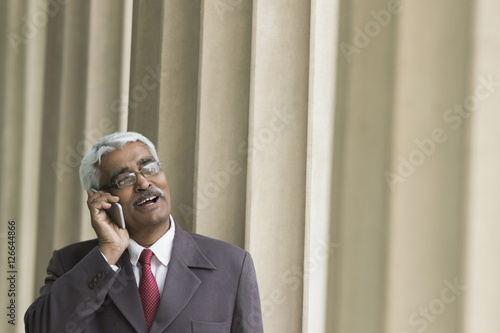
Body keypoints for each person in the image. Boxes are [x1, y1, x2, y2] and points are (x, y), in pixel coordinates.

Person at [25, 132, 263, 333]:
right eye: (124, 179)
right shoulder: (71, 263)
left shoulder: (232, 265)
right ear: (101, 198)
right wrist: (107, 253)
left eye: (149, 168)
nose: (143, 183)